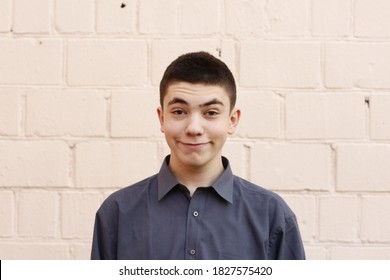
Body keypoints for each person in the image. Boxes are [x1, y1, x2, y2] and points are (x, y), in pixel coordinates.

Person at [91, 51, 305, 260]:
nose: (194, 128)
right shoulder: (117, 214)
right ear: (161, 118)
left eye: (211, 113)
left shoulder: (272, 216)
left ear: (232, 120)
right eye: (179, 111)